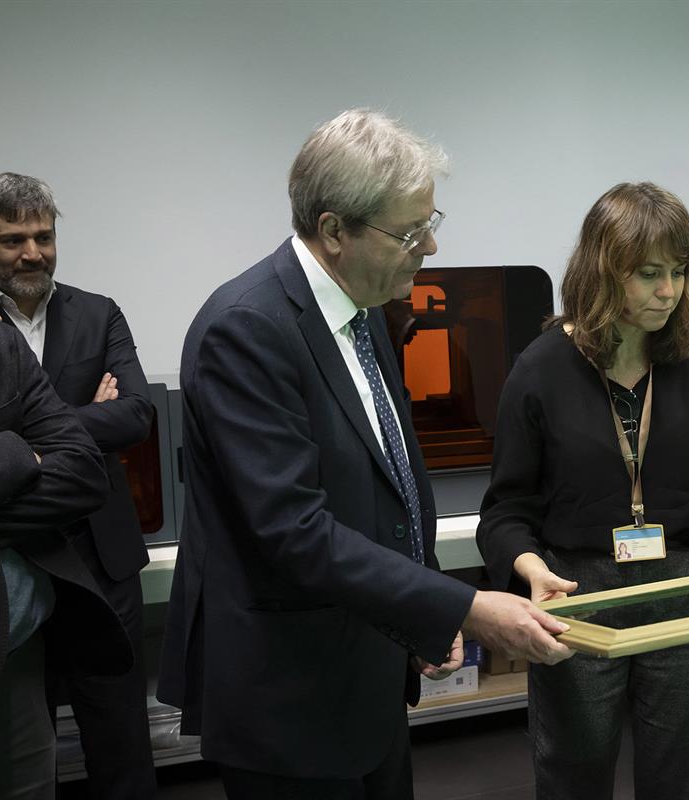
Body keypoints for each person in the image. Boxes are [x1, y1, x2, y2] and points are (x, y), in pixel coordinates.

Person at [156, 108, 573, 800]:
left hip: (366, 678)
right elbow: (294, 532)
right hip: (287, 696)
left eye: (432, 223)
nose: (431, 248)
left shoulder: (364, 306)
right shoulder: (247, 331)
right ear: (332, 232)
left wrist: (421, 609)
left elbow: (392, 478)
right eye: (411, 232)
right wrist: (461, 605)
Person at [477, 182, 689, 800]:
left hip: (685, 586)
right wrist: (533, 571)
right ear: (603, 271)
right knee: (576, 766)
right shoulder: (539, 371)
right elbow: (506, 511)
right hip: (577, 589)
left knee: (678, 770)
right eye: (649, 274)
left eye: (679, 272)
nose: (670, 292)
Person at [0, 172, 157, 799]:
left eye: (44, 236)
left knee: (120, 735)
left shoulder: (98, 313)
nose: (33, 253)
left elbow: (137, 414)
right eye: (13, 240)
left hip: (102, 556)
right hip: (11, 562)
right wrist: (75, 423)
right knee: (19, 743)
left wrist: (28, 437)